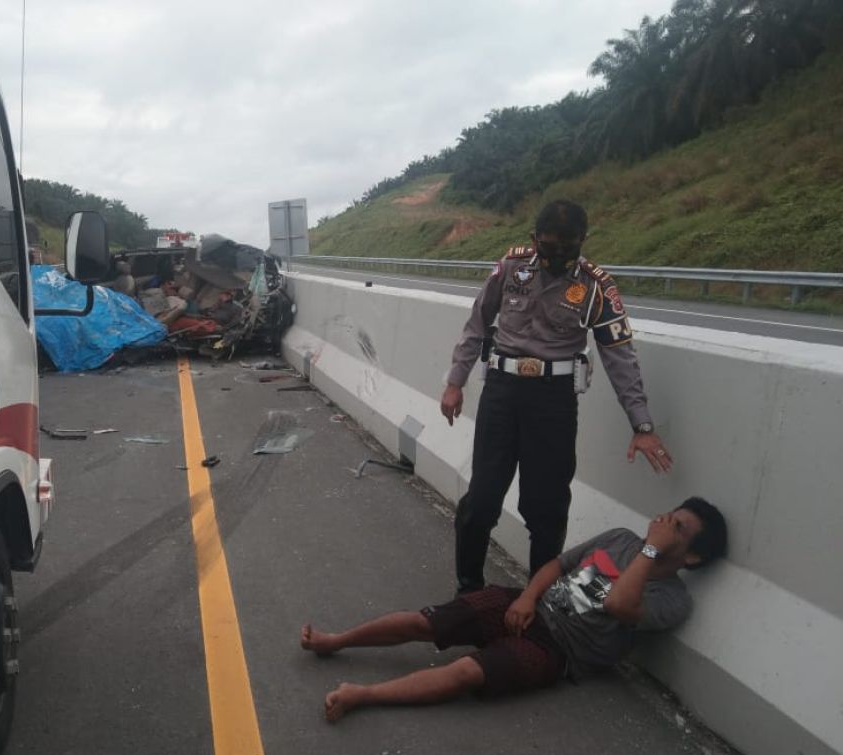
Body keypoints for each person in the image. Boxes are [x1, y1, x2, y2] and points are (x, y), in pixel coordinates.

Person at [300, 498, 727, 722]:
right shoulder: (619, 537)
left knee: (467, 672)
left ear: (691, 557)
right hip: (528, 608)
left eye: (678, 529)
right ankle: (336, 640)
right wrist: (525, 597)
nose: (664, 525)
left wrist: (652, 548)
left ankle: (363, 695)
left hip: (558, 652)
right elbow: (558, 566)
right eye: (669, 517)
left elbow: (619, 603)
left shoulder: (673, 600)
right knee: (425, 623)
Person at [440, 200, 672, 593]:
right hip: (502, 393)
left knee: (545, 510)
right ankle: (469, 590)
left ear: (583, 241)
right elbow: (477, 322)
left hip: (553, 403)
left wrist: (642, 424)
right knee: (480, 502)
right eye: (550, 246)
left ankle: (537, 602)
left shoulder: (597, 286)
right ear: (534, 240)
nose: (559, 256)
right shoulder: (512, 267)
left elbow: (620, 357)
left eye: (569, 247)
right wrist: (455, 380)